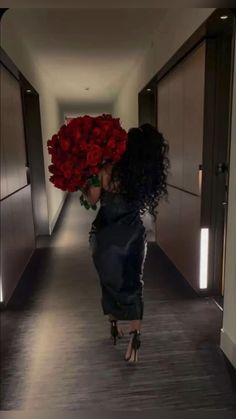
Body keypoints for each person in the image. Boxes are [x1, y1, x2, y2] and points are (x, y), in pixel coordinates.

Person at [83, 123, 169, 363]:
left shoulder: (108, 170)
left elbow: (91, 199)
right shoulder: (145, 176)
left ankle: (113, 326)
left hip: (104, 238)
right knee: (133, 284)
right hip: (131, 238)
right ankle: (135, 337)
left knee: (108, 281)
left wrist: (87, 179)